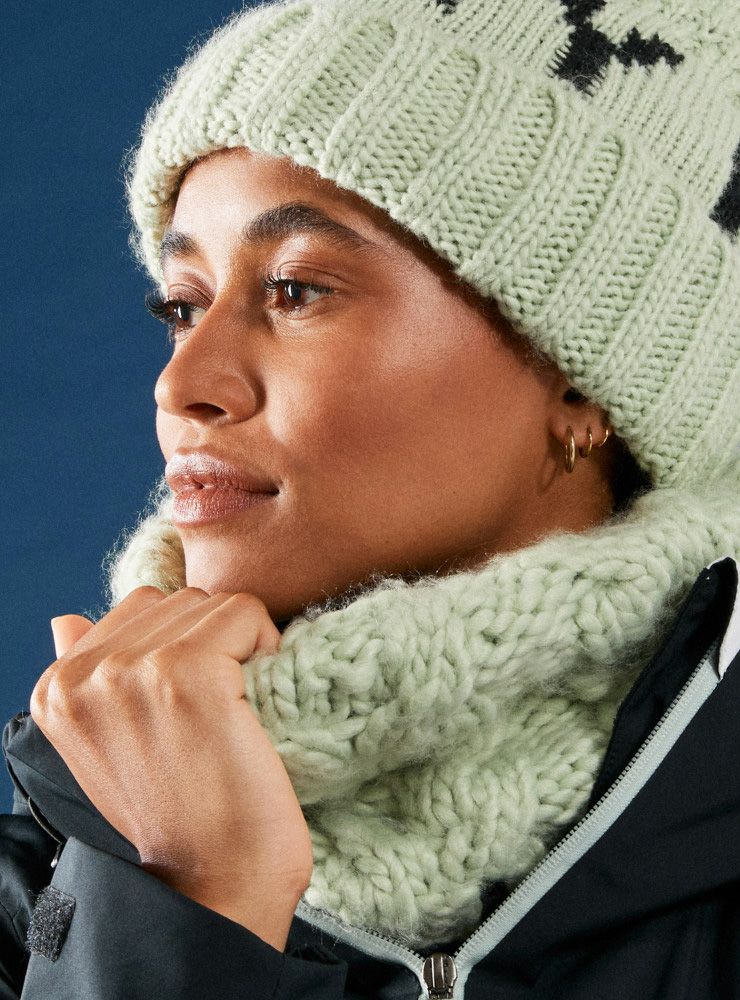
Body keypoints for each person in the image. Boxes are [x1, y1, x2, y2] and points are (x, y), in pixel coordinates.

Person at [2, 0, 739, 996]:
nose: (181, 384)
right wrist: (179, 904)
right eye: (183, 304)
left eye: (296, 289)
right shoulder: (33, 911)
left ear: (583, 379)